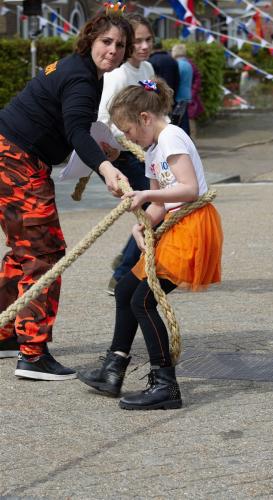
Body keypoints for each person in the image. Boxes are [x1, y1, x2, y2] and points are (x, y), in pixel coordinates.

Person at [0, 7, 133, 380]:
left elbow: (74, 124)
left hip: (9, 155)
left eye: (120, 45)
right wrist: (107, 169)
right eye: (107, 41)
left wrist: (103, 147)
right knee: (45, 252)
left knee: (24, 251)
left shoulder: (78, 69)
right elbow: (76, 130)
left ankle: (7, 333)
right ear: (91, 38)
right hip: (15, 160)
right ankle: (33, 353)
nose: (113, 50)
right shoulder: (82, 79)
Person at [77, 78, 223, 411]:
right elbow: (159, 204)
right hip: (174, 226)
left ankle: (165, 385)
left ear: (145, 118)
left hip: (192, 226)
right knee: (127, 289)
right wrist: (141, 226)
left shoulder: (171, 137)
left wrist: (145, 194)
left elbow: (188, 190)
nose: (127, 138)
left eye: (127, 130)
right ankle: (113, 368)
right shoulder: (153, 148)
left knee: (143, 300)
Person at [98, 14, 155, 295]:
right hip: (122, 155)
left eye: (148, 40)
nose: (143, 46)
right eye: (138, 41)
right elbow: (103, 117)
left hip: (144, 151)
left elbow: (154, 105)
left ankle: (126, 259)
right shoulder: (117, 75)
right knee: (153, 209)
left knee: (154, 208)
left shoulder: (147, 69)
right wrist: (118, 146)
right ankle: (122, 274)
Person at [148, 37, 180, 108]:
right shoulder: (172, 60)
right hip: (170, 98)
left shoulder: (149, 62)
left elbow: (149, 83)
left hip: (156, 101)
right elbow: (177, 80)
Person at [171, 43, 193, 136]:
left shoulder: (178, 64)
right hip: (187, 94)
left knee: (179, 121)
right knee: (184, 119)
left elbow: (176, 80)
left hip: (179, 95)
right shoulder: (188, 64)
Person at [187, 58, 205, 139]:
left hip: (188, 98)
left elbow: (150, 87)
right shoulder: (147, 66)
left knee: (190, 121)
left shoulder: (147, 67)